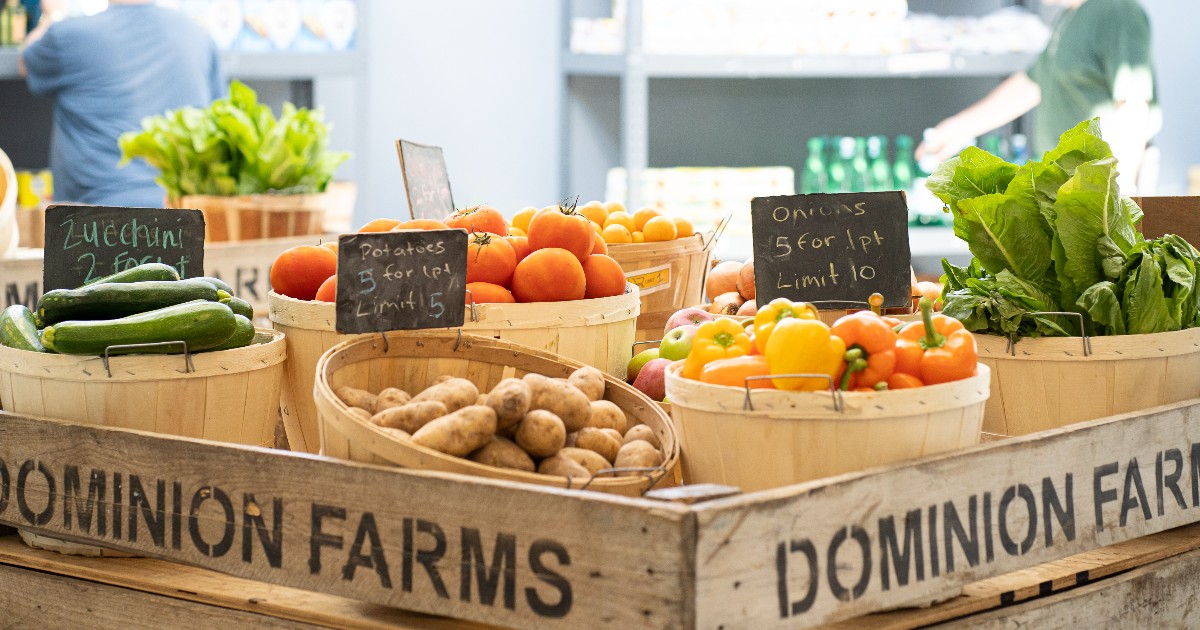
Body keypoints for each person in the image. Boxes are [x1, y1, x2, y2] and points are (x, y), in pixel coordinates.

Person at [916, 0, 1160, 192]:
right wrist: (955, 129)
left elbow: (1134, 105)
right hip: (1071, 185)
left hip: (1103, 187)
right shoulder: (1071, 16)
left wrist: (1121, 190)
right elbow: (1031, 86)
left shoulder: (1118, 9)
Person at [19, 0, 225, 207]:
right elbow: (219, 122)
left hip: (95, 223)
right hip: (186, 217)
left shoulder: (70, 35)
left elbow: (26, 61)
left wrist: (52, 14)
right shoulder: (198, 35)